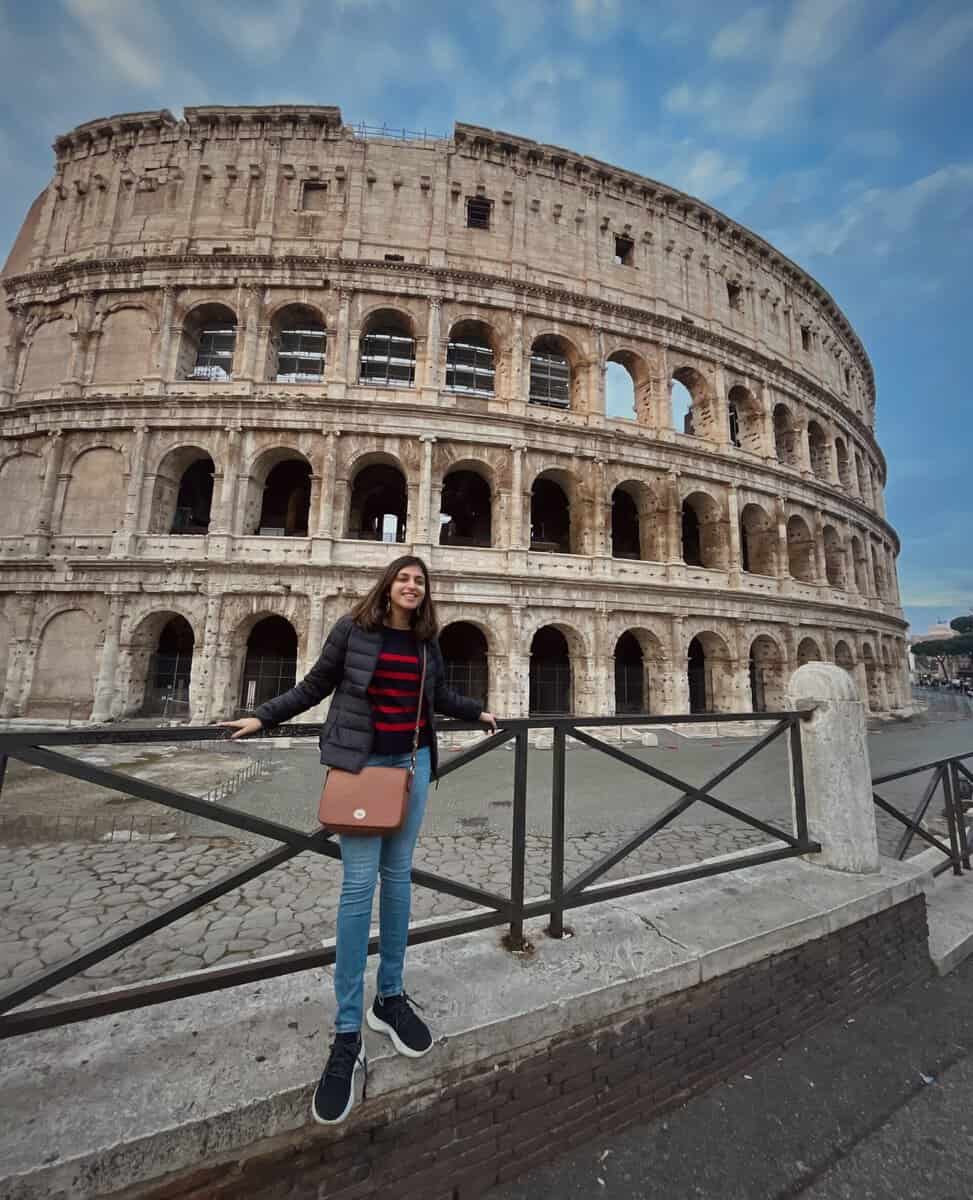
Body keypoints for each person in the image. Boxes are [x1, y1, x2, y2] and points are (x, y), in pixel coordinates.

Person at [220, 555, 497, 1125]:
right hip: (360, 769)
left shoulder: (426, 642)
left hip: (413, 768)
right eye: (404, 578)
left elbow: (438, 697)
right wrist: (265, 717)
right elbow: (316, 685)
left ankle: (389, 998)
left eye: (420, 581)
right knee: (356, 891)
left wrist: (478, 711)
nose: (412, 587)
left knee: (398, 884)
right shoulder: (353, 629)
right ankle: (346, 1033)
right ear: (389, 584)